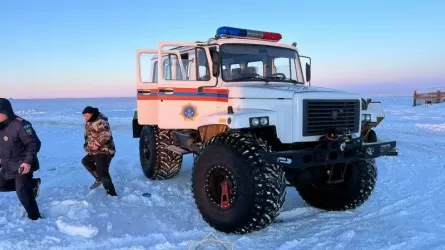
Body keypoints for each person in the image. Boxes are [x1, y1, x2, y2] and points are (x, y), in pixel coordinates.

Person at [0, 98, 42, 220]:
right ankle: (32, 185)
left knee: (23, 194)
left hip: (22, 166)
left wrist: (27, 162)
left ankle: (35, 217)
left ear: (5, 112)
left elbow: (34, 143)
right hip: (7, 165)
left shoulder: (21, 124)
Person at [81, 106, 117, 196]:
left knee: (103, 171)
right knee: (86, 161)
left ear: (92, 114)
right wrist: (87, 145)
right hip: (96, 151)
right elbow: (88, 136)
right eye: (84, 116)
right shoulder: (89, 122)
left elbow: (106, 135)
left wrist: (94, 146)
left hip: (105, 150)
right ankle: (99, 179)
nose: (85, 118)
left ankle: (111, 193)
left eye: (86, 115)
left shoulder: (101, 122)